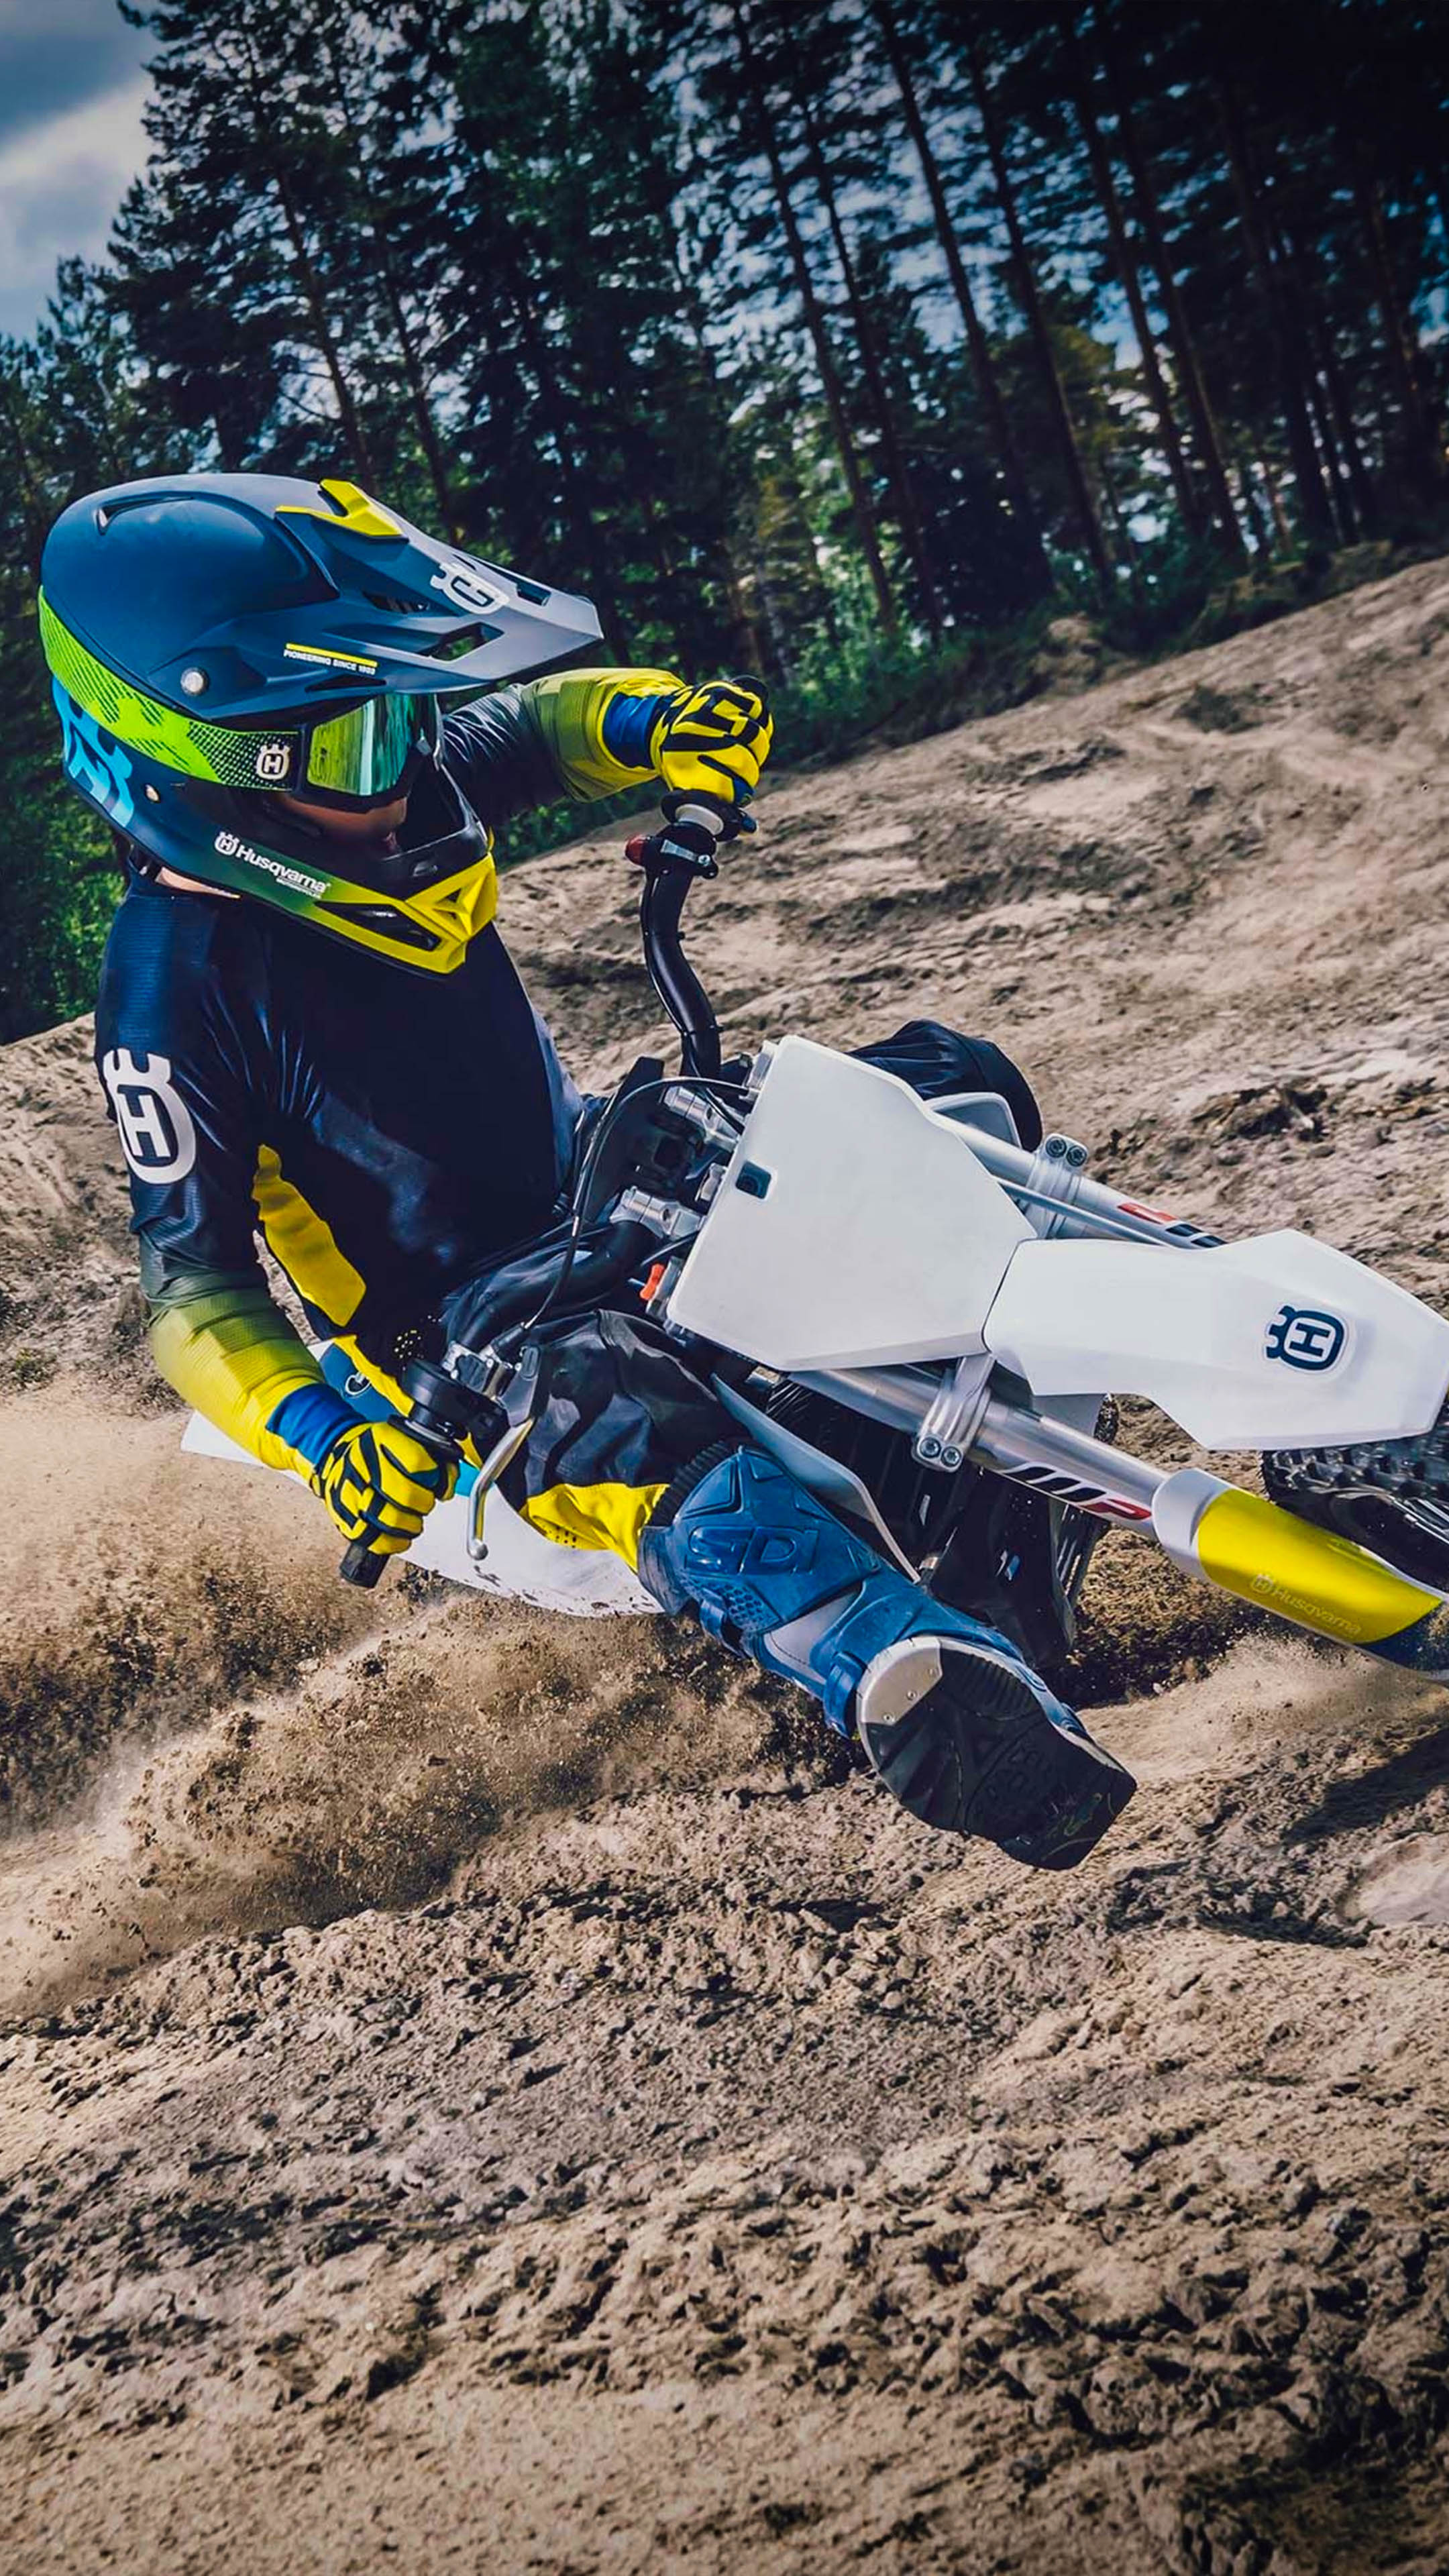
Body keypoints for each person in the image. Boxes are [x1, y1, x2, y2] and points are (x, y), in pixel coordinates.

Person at [40, 472, 1134, 1868]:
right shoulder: (170, 994)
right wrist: (324, 1442)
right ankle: (900, 1668)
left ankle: (1173, 1398)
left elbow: (531, 729)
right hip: (460, 1335)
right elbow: (191, 1295)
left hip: (604, 1179)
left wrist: (660, 723)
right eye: (346, 740)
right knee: (618, 1412)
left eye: (395, 714)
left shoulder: (381, 789)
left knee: (940, 1082)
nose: (394, 770)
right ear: (195, 762)